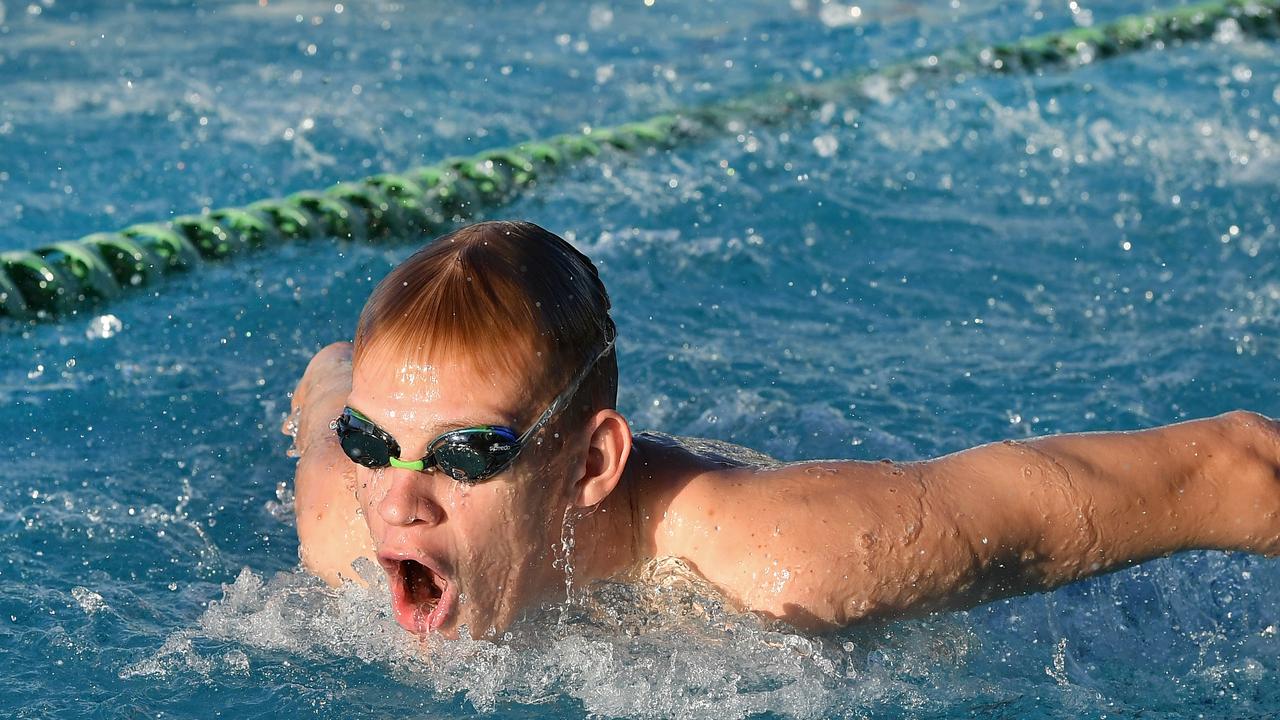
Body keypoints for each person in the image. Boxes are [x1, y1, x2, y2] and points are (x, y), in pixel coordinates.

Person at [284, 220, 1280, 639]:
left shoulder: (787, 566)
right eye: (376, 443)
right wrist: (352, 410)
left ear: (590, 463)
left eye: (465, 454)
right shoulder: (345, 518)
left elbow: (1232, 468)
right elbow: (330, 381)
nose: (399, 502)